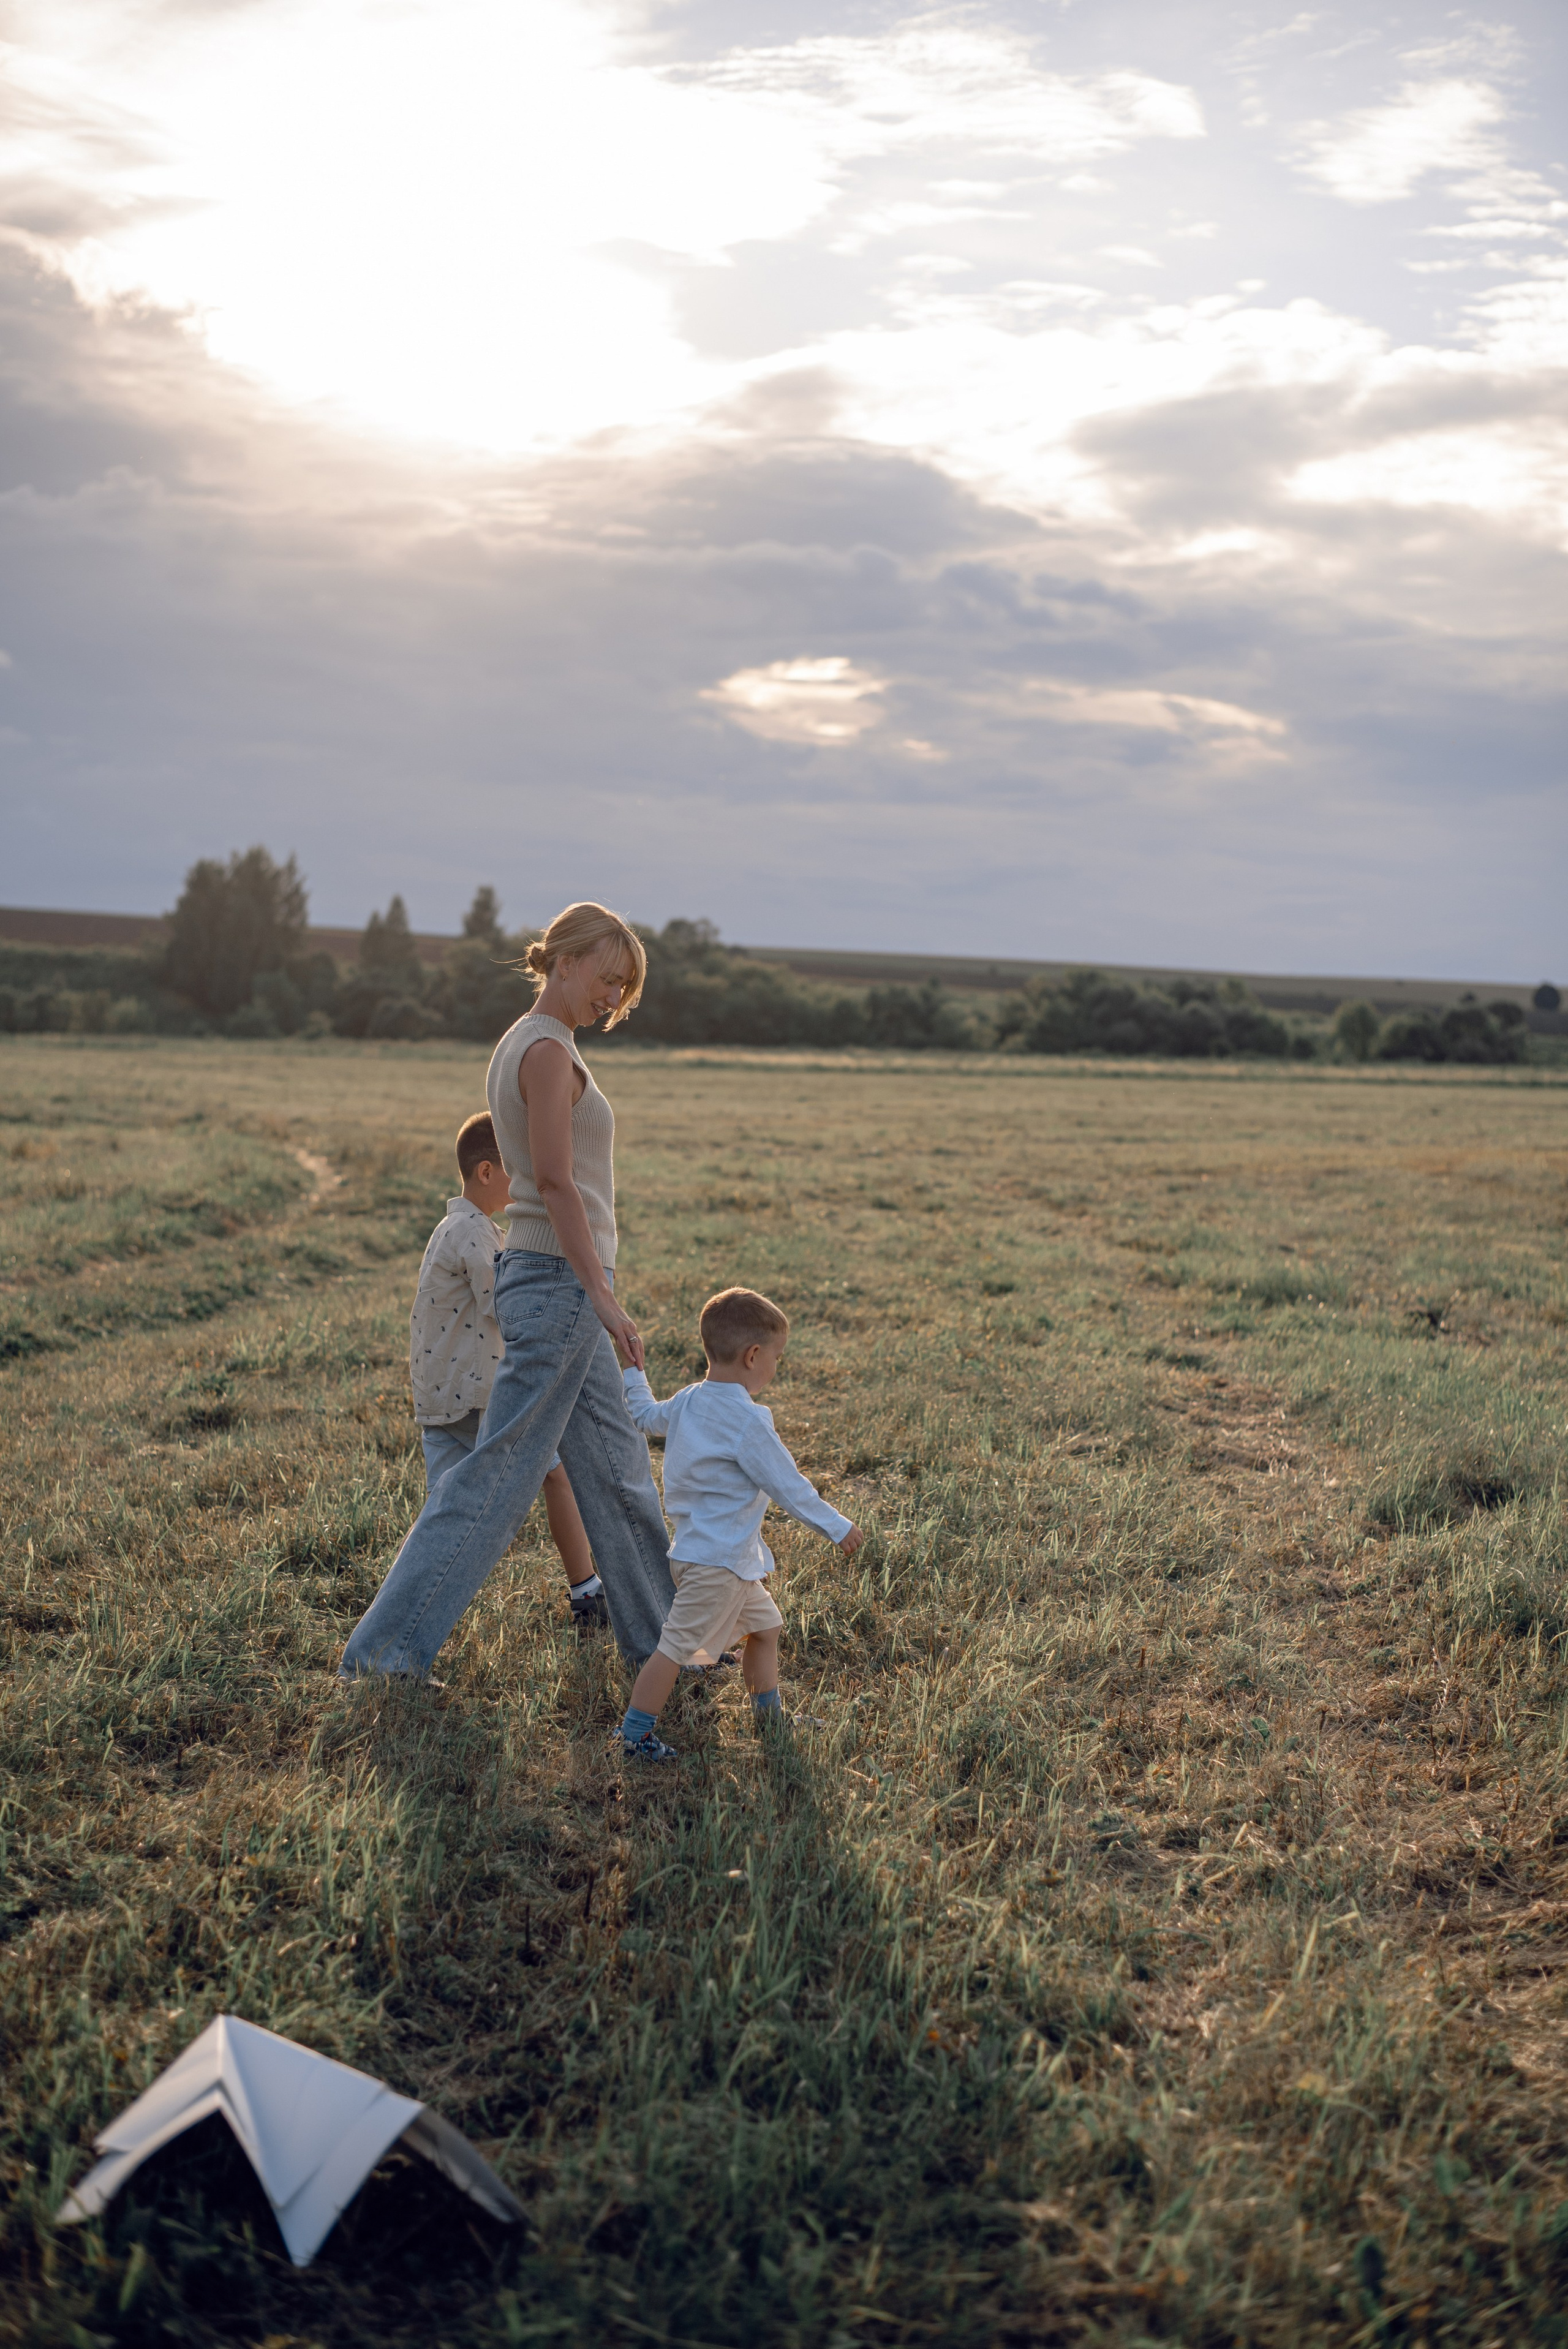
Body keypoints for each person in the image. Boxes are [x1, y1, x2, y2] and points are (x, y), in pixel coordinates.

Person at [339, 901, 676, 1683]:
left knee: (619, 1468)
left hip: (560, 1281)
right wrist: (600, 1291)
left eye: (624, 987)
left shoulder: (528, 1042)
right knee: (497, 1475)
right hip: (560, 1279)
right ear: (564, 960)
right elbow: (554, 1181)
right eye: (606, 976)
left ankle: (666, 1644)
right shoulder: (547, 1051)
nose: (612, 996)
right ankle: (382, 1656)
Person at [614, 1286, 863, 1763]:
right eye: (778, 1357)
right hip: (718, 1564)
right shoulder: (748, 1422)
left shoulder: (689, 1400)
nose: (777, 1366)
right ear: (753, 1356)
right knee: (674, 1649)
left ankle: (769, 1717)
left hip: (708, 1557)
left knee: (766, 1628)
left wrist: (634, 1370)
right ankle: (633, 1734)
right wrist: (836, 1525)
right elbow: (789, 1484)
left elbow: (644, 1415)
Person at [410, 1109, 609, 1632]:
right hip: (475, 1394)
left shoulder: (452, 1227)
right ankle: (588, 1593)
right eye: (512, 1170)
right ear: (485, 1172)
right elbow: (504, 1305)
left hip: (441, 1396)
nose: (521, 1181)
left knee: (442, 1512)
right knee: (556, 1474)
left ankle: (409, 1604)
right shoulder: (475, 1233)